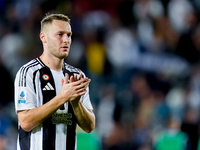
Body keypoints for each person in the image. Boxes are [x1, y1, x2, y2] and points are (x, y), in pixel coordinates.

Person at [14, 13, 95, 150]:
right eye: (60, 34)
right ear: (43, 37)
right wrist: (63, 97)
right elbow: (26, 122)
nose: (66, 40)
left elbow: (89, 126)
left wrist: (76, 104)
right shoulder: (28, 73)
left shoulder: (77, 76)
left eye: (68, 35)